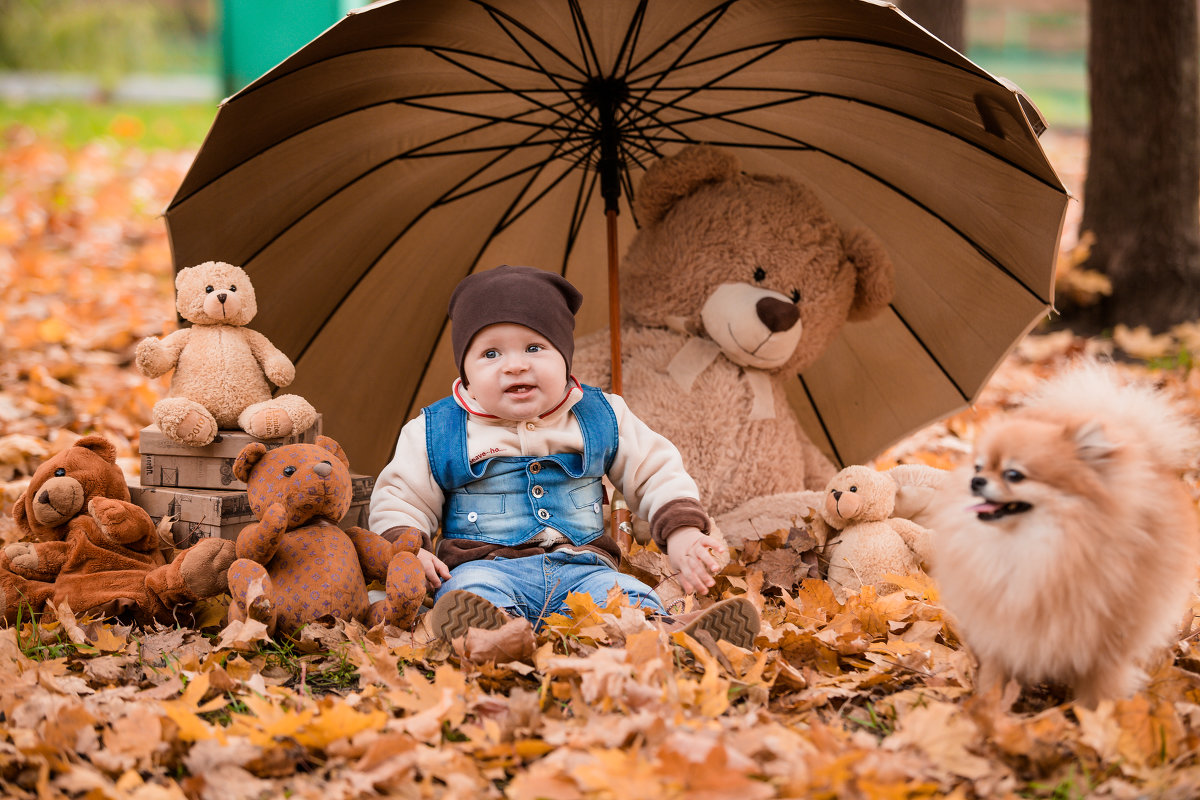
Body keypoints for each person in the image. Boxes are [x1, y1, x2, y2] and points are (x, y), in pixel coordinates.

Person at [369, 264, 759, 647]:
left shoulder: (599, 414)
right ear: (465, 372)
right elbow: (401, 496)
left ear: (565, 357)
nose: (516, 364)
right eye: (490, 353)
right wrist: (411, 550)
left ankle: (668, 634)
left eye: (535, 347)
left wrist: (682, 531)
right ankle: (492, 634)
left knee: (626, 595)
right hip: (486, 568)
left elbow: (655, 471)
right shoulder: (438, 429)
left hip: (585, 570)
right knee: (472, 592)